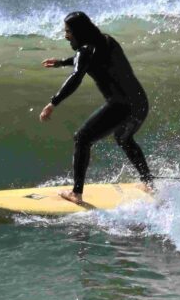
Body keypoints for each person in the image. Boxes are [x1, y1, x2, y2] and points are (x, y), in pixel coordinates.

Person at [39, 11, 153, 205]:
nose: (66, 35)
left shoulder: (85, 51)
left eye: (68, 31)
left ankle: (76, 193)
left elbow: (76, 77)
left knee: (82, 138)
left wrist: (53, 103)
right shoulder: (107, 41)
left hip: (121, 106)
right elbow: (84, 60)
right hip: (140, 102)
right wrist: (62, 62)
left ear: (78, 32)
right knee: (123, 138)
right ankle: (148, 182)